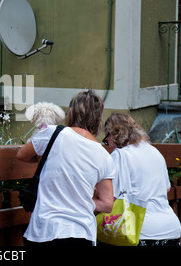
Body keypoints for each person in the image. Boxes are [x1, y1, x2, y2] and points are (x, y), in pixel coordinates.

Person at [17, 90, 115, 246]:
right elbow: (107, 204)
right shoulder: (105, 157)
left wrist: (49, 159)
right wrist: (84, 201)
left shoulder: (52, 134)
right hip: (82, 232)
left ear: (71, 112)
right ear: (99, 119)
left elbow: (22, 155)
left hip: (45, 230)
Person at [103, 112, 181, 246]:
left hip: (140, 230)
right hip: (171, 229)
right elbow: (166, 188)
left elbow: (111, 197)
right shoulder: (155, 152)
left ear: (113, 134)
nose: (108, 144)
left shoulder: (121, 155)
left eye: (106, 139)